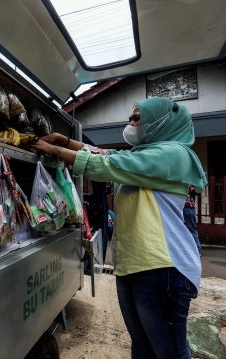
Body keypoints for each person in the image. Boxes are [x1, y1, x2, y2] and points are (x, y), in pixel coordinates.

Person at [32, 97, 206, 359]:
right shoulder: (144, 154)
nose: (131, 124)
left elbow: (110, 165)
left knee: (169, 353)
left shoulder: (174, 154)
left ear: (161, 122)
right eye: (130, 119)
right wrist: (64, 140)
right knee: (142, 346)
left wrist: (55, 151)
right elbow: (110, 155)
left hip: (163, 267)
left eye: (137, 119)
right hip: (135, 265)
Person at [184, 185, 201, 254]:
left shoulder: (189, 183)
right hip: (180, 207)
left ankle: (196, 249)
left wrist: (190, 189)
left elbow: (197, 192)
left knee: (191, 229)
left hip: (188, 208)